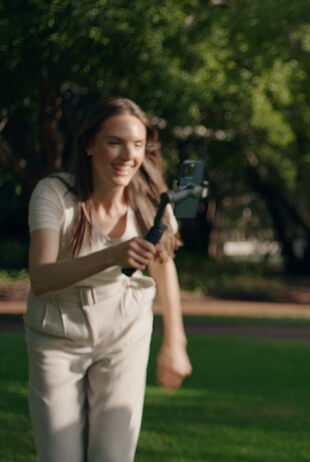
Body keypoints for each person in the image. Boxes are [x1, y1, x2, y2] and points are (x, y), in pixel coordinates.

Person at [24, 97, 193, 462]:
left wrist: (175, 342)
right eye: (115, 142)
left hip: (124, 332)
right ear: (89, 144)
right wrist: (111, 256)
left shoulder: (152, 202)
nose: (127, 156)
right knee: (59, 457)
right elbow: (40, 277)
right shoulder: (55, 194)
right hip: (58, 333)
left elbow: (164, 267)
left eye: (137, 145)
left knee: (112, 456)